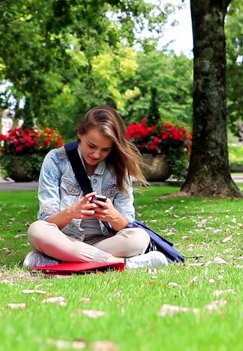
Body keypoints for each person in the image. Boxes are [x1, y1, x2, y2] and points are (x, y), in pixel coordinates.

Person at [22, 105, 169, 269]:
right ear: (80, 133)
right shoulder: (56, 159)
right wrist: (72, 212)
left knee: (140, 237)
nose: (97, 154)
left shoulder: (119, 167)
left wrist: (113, 216)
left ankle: (58, 261)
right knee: (37, 230)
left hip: (104, 241)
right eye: (91, 146)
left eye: (105, 149)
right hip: (63, 239)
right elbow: (47, 219)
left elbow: (127, 222)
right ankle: (122, 264)